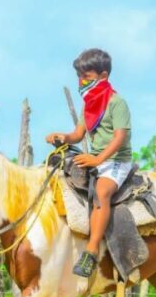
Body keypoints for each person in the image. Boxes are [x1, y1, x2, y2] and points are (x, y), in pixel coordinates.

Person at [46, 48, 133, 277]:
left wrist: (97, 159)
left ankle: (92, 251)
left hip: (115, 160)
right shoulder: (90, 104)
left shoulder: (117, 103)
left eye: (87, 77)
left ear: (103, 77)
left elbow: (120, 137)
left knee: (102, 192)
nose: (82, 81)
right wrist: (63, 137)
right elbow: (78, 134)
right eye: (80, 77)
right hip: (95, 160)